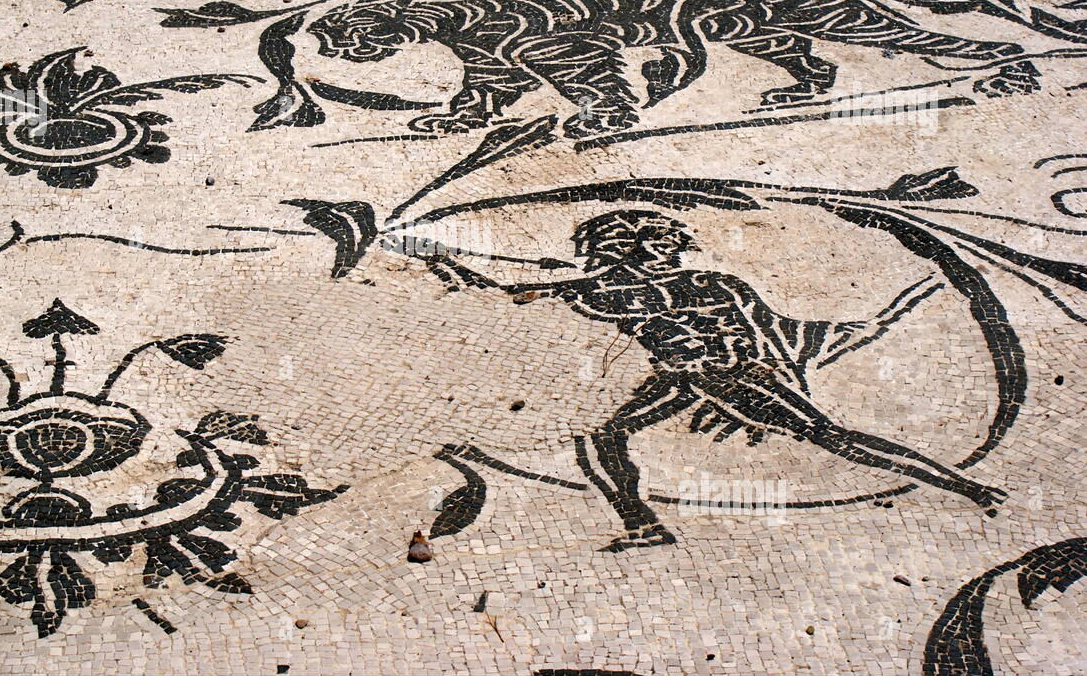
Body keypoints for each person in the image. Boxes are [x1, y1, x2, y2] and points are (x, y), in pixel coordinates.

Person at [424, 209, 1007, 550]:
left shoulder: (694, 285)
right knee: (602, 436)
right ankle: (643, 525)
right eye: (622, 246)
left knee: (835, 438)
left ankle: (968, 488)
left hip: (731, 377)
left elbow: (766, 332)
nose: (650, 253)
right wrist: (443, 261)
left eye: (648, 245)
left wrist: (778, 380)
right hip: (678, 378)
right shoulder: (613, 287)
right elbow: (508, 293)